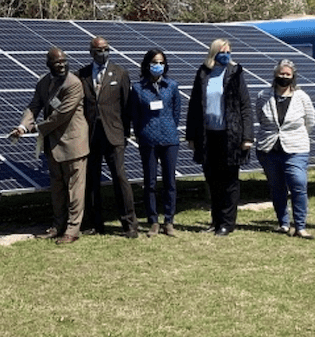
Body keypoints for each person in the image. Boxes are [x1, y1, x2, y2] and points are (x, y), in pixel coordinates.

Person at [10, 47, 88, 245]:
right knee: (57, 189)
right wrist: (22, 127)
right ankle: (57, 226)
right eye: (57, 62)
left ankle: (72, 230)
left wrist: (37, 127)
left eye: (64, 61)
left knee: (75, 190)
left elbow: (61, 114)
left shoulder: (74, 84)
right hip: (53, 145)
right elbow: (34, 105)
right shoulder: (44, 82)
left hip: (73, 143)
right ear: (48, 65)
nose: (62, 65)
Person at [185, 39, 253, 236]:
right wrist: (191, 135)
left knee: (229, 180)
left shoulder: (236, 73)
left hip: (230, 135)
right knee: (212, 179)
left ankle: (227, 222)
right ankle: (215, 221)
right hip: (208, 135)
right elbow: (194, 106)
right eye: (222, 51)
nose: (226, 54)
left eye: (228, 51)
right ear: (213, 53)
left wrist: (247, 136)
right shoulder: (203, 73)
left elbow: (245, 106)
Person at [77, 36, 139, 238]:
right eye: (98, 50)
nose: (103, 53)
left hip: (114, 135)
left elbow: (127, 107)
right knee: (91, 181)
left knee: (120, 179)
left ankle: (129, 224)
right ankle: (95, 223)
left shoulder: (120, 73)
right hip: (91, 136)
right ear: (91, 52)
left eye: (106, 49)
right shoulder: (82, 75)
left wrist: (124, 133)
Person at [255, 59, 315, 239]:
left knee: (298, 184)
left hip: (296, 148)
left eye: (288, 74)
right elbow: (260, 117)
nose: (284, 77)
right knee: (277, 187)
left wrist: (296, 136)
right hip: (269, 148)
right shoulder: (263, 95)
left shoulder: (302, 97)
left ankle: (300, 226)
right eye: (281, 74)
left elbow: (310, 122)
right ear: (275, 75)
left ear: (293, 77)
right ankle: (283, 223)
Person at [129, 49, 181, 237]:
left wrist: (169, 128)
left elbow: (176, 112)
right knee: (150, 182)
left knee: (170, 181)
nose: (157, 66)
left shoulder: (172, 86)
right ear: (147, 64)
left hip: (169, 140)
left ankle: (169, 220)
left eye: (160, 62)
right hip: (148, 140)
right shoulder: (138, 88)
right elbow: (135, 115)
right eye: (154, 62)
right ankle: (153, 221)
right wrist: (142, 132)